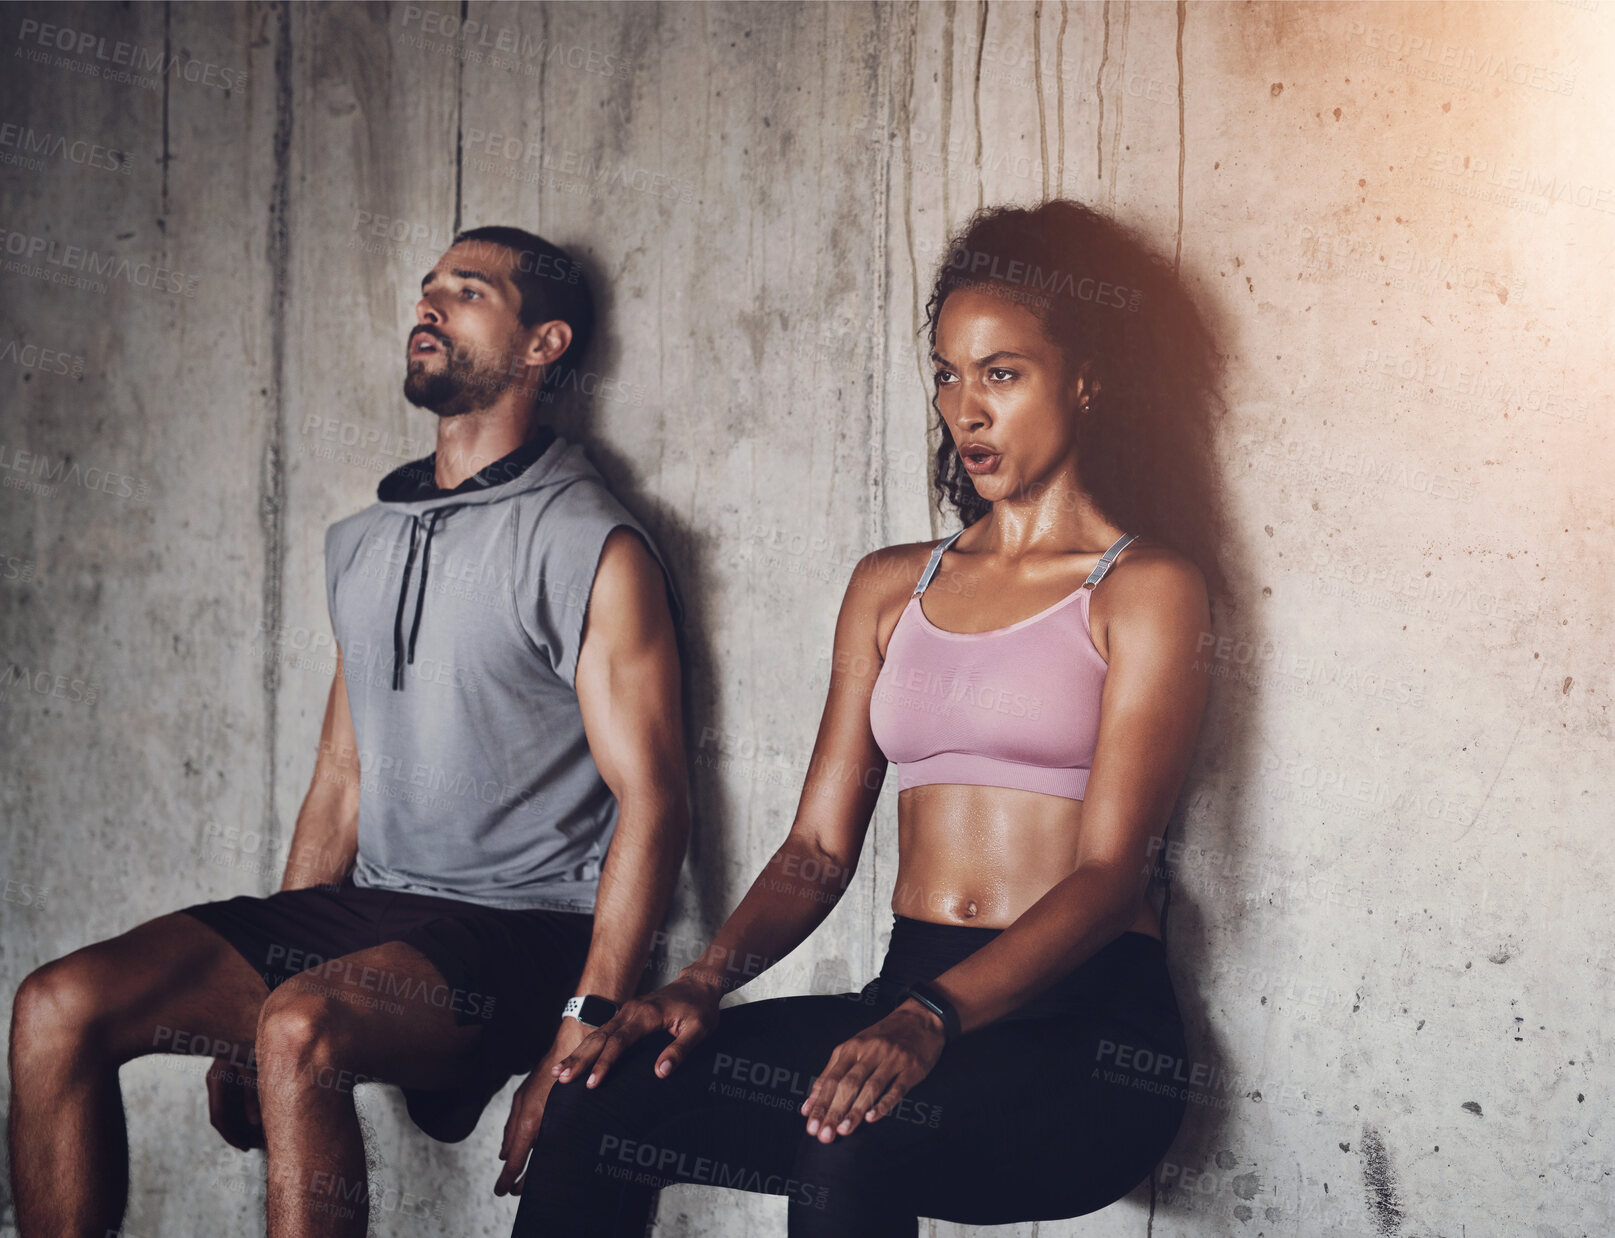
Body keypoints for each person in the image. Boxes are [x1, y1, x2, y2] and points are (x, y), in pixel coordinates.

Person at [504, 199, 1230, 1237]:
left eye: (1001, 372)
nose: (965, 407)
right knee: (598, 1088)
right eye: (947, 372)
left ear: (1085, 378)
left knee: (845, 1132)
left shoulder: (1145, 587)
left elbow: (1109, 877)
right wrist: (703, 979)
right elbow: (815, 845)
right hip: (905, 991)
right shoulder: (891, 587)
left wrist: (931, 1016)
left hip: (1080, 1032)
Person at [7, 225, 690, 1238]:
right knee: (56, 1005)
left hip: (522, 929)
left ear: (544, 344)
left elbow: (656, 799)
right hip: (375, 913)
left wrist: (579, 1027)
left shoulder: (588, 540)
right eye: (426, 289)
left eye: (467, 292)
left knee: (299, 1026)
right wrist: (269, 970)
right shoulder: (362, 540)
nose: (430, 305)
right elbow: (341, 776)